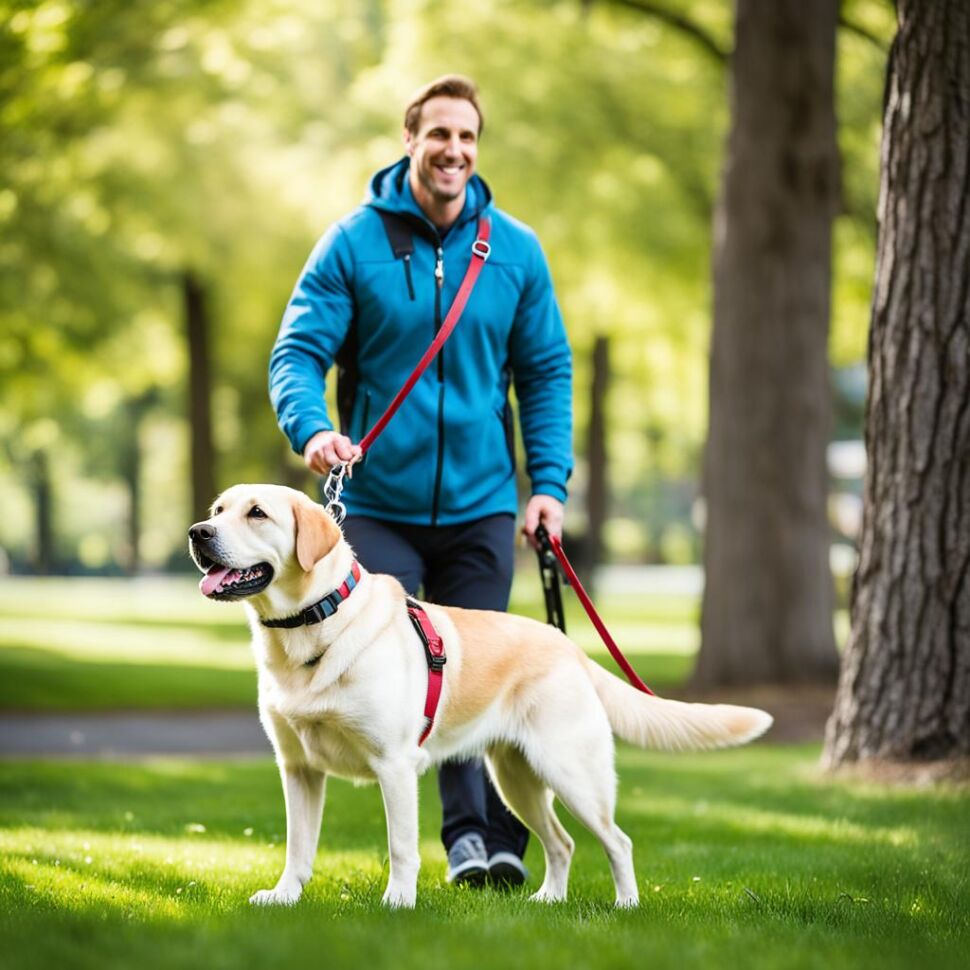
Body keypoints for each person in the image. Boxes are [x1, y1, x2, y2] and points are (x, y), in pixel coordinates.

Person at [268, 74, 573, 888]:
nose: (454, 151)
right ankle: (466, 843)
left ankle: (493, 844)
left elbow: (545, 372)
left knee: (479, 675)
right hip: (378, 510)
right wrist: (315, 429)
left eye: (468, 137)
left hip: (479, 504)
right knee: (404, 673)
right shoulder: (352, 243)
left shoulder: (515, 250)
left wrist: (548, 484)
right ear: (410, 140)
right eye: (439, 134)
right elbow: (297, 353)